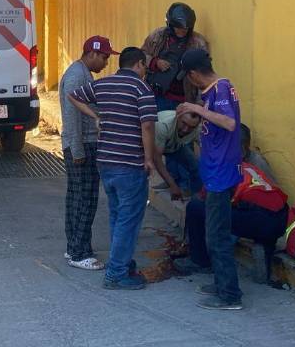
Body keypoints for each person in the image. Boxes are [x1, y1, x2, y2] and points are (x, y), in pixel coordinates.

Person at [68, 47, 178, 290]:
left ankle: (122, 262)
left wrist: (95, 116)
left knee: (118, 216)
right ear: (139, 64)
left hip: (106, 162)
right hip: (130, 164)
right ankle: (117, 274)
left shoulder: (104, 84)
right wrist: (149, 159)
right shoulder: (142, 89)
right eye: (145, 66)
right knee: (129, 220)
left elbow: (73, 95)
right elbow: (147, 127)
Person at [178, 124, 289, 287]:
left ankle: (203, 264)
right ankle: (264, 246)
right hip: (279, 216)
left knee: (197, 208)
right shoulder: (247, 165)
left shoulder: (231, 164)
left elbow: (210, 199)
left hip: (256, 214)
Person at [176, 49, 244, 310]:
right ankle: (221, 282)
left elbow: (228, 123)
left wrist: (196, 108)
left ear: (194, 74)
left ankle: (229, 294)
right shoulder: (213, 92)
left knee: (217, 235)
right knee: (213, 230)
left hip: (221, 174)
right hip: (215, 172)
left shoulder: (221, 88)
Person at [59, 36, 117, 270]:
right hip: (81, 145)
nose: (105, 63)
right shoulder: (77, 75)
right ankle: (79, 253)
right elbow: (72, 115)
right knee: (85, 199)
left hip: (80, 144)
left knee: (76, 198)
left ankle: (74, 246)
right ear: (92, 54)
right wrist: (78, 149)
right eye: (104, 57)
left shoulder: (82, 73)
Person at [141, 3, 209, 111]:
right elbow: (141, 57)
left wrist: (199, 105)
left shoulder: (198, 43)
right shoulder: (157, 36)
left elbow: (204, 74)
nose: (182, 31)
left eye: (185, 28)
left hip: (184, 101)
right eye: (178, 28)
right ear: (170, 25)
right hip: (156, 97)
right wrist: (155, 62)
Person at [152, 108, 203, 197]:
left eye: (191, 127)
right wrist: (173, 185)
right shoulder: (162, 125)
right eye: (184, 123)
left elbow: (207, 152)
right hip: (150, 145)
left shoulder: (198, 129)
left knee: (196, 166)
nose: (185, 130)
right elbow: (157, 159)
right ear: (177, 117)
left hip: (175, 145)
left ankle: (195, 195)